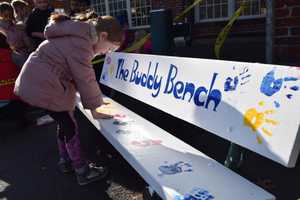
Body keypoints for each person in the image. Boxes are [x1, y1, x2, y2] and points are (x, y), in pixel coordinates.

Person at [14, 12, 123, 186]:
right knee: (68, 124)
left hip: (39, 82)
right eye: (109, 48)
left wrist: (95, 104)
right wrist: (96, 108)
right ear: (103, 36)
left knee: (65, 121)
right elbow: (85, 78)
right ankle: (82, 170)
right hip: (44, 85)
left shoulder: (76, 35)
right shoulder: (82, 44)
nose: (107, 53)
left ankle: (66, 161)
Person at [0, 2, 31, 67]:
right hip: (4, 60)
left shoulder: (19, 28)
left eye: (10, 15)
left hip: (22, 56)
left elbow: (29, 44)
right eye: (5, 16)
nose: (8, 18)